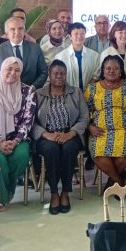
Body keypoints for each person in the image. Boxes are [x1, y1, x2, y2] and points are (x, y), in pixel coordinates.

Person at [0, 57, 36, 210]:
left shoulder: (28, 91)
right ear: (2, 70)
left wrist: (15, 141)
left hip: (18, 139)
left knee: (21, 157)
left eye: (17, 70)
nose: (13, 73)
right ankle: (4, 197)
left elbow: (28, 120)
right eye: (9, 69)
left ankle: (5, 192)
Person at [33, 60, 89, 214]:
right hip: (46, 136)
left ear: (66, 75)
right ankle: (53, 193)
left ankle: (65, 192)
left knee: (69, 149)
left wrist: (70, 133)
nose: (59, 76)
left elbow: (84, 117)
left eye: (62, 73)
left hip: (70, 134)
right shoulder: (38, 94)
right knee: (51, 150)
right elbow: (31, 121)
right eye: (55, 73)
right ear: (49, 75)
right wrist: (46, 134)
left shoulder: (76, 92)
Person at [85, 55, 126, 187]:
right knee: (98, 153)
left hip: (125, 130)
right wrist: (90, 127)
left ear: (121, 70)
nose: (111, 71)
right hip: (99, 131)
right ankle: (119, 182)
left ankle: (111, 184)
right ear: (103, 70)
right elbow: (84, 111)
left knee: (125, 152)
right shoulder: (92, 89)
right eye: (108, 68)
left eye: (115, 68)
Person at [0, 16, 48, 88]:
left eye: (20, 29)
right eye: (12, 29)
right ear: (7, 33)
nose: (17, 32)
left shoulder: (35, 48)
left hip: (30, 91)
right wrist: (5, 89)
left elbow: (43, 72)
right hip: (5, 92)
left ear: (24, 31)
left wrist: (33, 87)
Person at [57, 22, 100, 93]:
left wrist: (88, 91)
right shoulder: (60, 57)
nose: (79, 36)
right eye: (76, 34)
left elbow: (96, 76)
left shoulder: (95, 55)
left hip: (89, 94)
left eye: (82, 33)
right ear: (70, 37)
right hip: (68, 94)